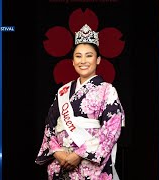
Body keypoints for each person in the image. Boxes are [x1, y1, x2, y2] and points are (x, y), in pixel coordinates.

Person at [35, 24, 125, 180]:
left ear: (98, 60)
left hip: (89, 165)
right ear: (72, 61)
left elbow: (112, 129)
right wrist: (57, 152)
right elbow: (50, 125)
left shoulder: (107, 90)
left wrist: (79, 154)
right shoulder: (63, 91)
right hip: (61, 162)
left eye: (89, 55)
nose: (83, 61)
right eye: (78, 56)